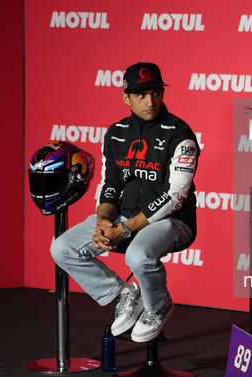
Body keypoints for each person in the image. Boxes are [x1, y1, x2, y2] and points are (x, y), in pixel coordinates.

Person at [51, 62, 200, 342]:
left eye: (156, 92)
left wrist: (126, 229)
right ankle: (123, 293)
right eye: (141, 95)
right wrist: (103, 222)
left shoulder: (181, 134)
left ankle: (158, 306)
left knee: (137, 255)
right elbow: (110, 184)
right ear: (126, 97)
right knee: (62, 248)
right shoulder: (115, 133)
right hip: (125, 217)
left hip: (173, 220)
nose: (150, 101)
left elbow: (175, 195)